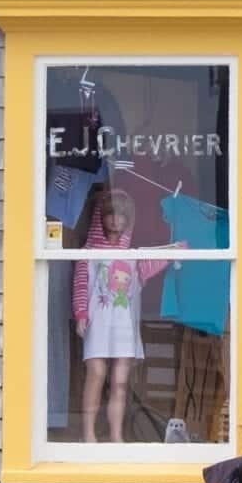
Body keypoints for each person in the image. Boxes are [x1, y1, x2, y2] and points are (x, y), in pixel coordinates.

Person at [72, 188, 182, 443]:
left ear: (129, 220)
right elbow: (80, 285)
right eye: (110, 214)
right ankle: (88, 435)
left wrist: (175, 250)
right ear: (100, 217)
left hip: (124, 326)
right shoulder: (87, 254)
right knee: (97, 373)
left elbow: (149, 266)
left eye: (121, 216)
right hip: (96, 324)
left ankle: (116, 436)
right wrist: (80, 314)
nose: (115, 220)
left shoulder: (133, 256)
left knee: (121, 382)